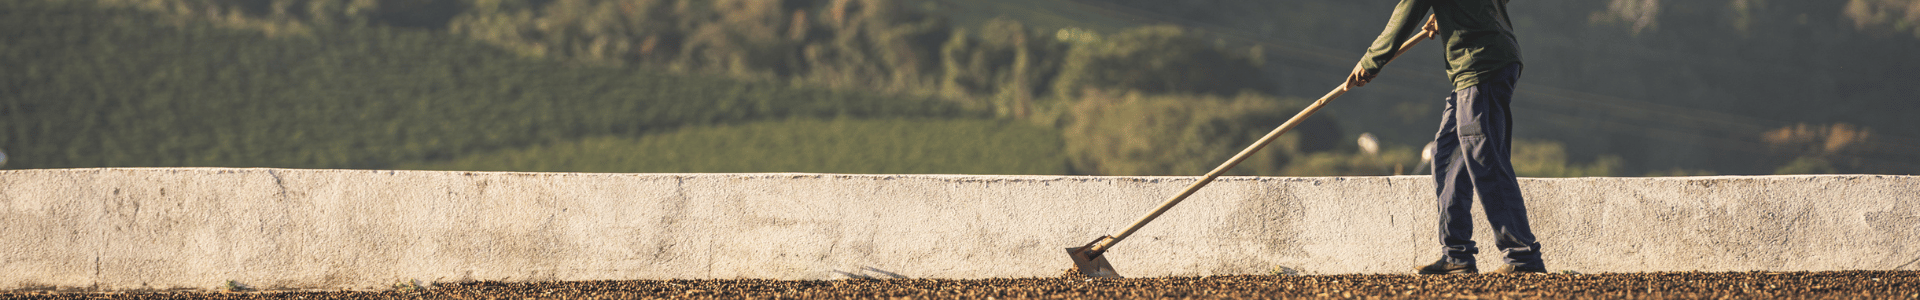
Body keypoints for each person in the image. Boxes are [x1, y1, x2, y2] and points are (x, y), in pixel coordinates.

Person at [1346, 0, 1547, 274]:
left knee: (1487, 163)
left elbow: (1408, 10)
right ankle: (1457, 255)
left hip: (1480, 66)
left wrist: (1371, 61)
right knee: (1447, 158)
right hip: (1487, 64)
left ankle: (1523, 257)